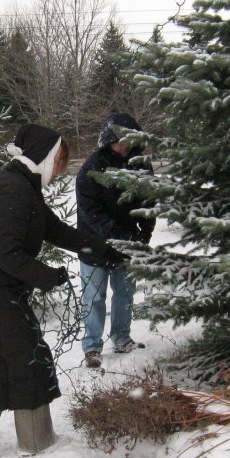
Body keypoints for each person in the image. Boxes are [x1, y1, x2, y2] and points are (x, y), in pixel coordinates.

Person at [0, 124, 111, 458]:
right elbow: (5, 254)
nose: (61, 169)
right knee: (28, 359)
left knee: (0, 364)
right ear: (46, 156)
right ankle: (27, 441)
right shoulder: (13, 190)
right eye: (60, 160)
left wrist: (100, 248)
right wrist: (47, 277)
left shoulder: (23, 186)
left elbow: (54, 230)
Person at [76, 113, 155, 368]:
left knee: (124, 293)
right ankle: (92, 346)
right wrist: (117, 237)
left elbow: (150, 202)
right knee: (94, 297)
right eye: (120, 141)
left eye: (129, 142)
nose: (125, 147)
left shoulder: (140, 164)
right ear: (108, 140)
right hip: (94, 243)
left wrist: (144, 234)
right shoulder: (91, 168)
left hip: (129, 242)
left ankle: (121, 337)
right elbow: (91, 213)